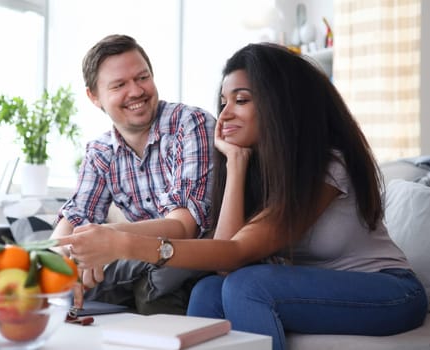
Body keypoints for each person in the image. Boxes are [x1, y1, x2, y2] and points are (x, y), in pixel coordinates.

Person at [57, 43, 428, 349]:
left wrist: (124, 243)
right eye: (223, 101)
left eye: (242, 100)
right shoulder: (253, 167)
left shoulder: (327, 166)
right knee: (208, 289)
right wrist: (236, 163)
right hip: (302, 285)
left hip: (389, 292)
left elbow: (238, 253)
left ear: (280, 104)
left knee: (248, 286)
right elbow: (224, 259)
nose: (223, 114)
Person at [50, 34, 216, 315]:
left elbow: (184, 227)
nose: (136, 91)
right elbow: (75, 217)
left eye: (142, 78)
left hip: (194, 256)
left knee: (155, 281)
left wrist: (107, 239)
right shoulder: (101, 151)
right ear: (94, 97)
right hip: (141, 259)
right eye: (119, 85)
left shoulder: (190, 124)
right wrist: (53, 260)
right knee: (64, 285)